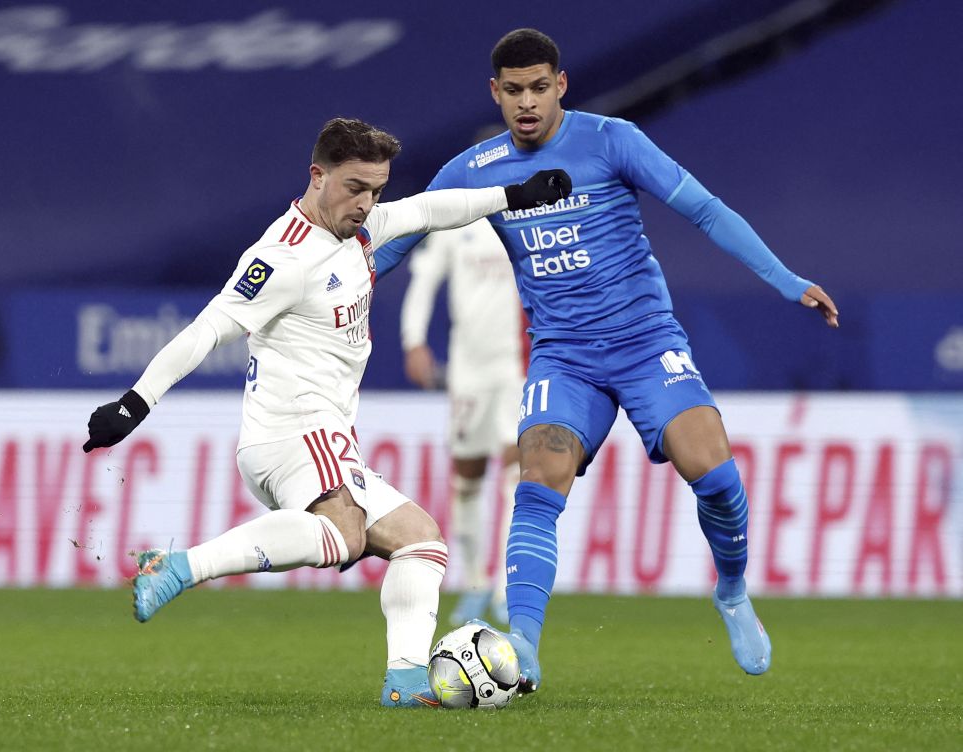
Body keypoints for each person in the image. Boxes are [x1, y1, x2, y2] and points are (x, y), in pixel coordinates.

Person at [373, 30, 840, 694]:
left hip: (647, 345)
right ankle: (524, 650)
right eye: (514, 91)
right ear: (495, 93)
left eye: (540, 88)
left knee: (715, 475)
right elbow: (396, 238)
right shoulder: (472, 170)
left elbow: (704, 210)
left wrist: (787, 278)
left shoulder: (612, 140)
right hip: (564, 361)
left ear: (560, 85)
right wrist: (336, 280)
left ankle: (732, 592)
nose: (527, 103)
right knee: (537, 482)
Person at [81, 116, 571, 708]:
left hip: (326, 437)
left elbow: (435, 210)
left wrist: (514, 195)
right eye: (354, 187)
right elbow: (209, 329)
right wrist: (136, 403)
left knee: (421, 542)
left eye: (376, 190)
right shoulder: (281, 257)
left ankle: (407, 681)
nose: (367, 203)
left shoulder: (359, 232)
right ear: (318, 176)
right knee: (345, 533)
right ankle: (179, 566)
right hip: (292, 431)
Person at [400, 215, 525, 626]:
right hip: (468, 372)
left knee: (515, 476)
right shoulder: (455, 222)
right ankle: (475, 583)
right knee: (467, 480)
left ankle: (508, 589)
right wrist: (413, 339)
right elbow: (424, 280)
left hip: (517, 365)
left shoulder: (526, 218)